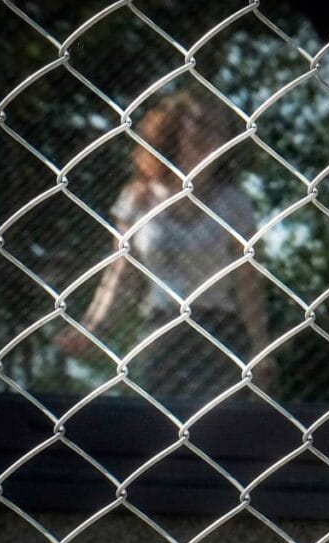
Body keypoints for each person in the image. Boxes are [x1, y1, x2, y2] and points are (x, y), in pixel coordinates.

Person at [56, 91, 272, 398]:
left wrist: (260, 346)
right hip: (160, 331)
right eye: (200, 122)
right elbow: (121, 275)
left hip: (219, 333)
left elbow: (248, 283)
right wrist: (91, 328)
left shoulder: (235, 205)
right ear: (176, 127)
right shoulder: (137, 199)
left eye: (219, 127)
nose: (208, 133)